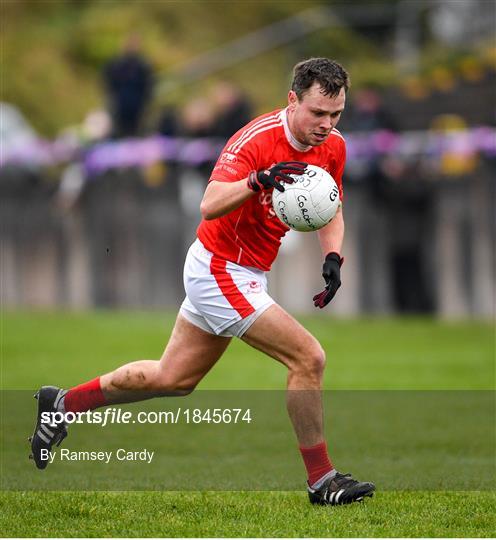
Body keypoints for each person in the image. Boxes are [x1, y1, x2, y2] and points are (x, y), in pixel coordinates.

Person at [30, 58, 375, 506]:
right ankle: (321, 480)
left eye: (336, 114)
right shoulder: (254, 140)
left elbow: (332, 206)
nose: (327, 125)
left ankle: (61, 405)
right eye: (318, 113)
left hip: (246, 271)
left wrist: (332, 257)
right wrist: (257, 180)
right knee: (309, 358)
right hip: (219, 268)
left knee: (173, 378)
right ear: (292, 101)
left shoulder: (334, 146)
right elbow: (209, 204)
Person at [103, 34, 153, 138]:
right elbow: (108, 81)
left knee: (136, 131)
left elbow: (148, 84)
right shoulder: (116, 63)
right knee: (119, 130)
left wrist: (146, 100)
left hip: (138, 103)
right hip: (120, 102)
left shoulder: (142, 64)